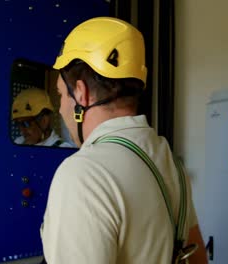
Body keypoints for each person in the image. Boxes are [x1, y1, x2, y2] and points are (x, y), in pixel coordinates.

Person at [40, 17, 208, 263]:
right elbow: (198, 258)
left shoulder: (85, 173)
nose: (61, 109)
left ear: (81, 93)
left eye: (61, 95)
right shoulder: (170, 163)